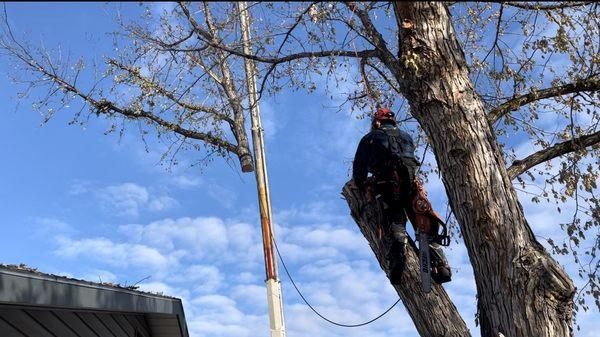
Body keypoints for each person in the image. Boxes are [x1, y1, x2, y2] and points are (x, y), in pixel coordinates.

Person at [352, 107, 451, 285]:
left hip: (387, 187)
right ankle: (441, 264)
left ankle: (398, 254)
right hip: (411, 186)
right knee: (423, 224)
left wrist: (361, 184)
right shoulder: (406, 137)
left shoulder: (369, 139)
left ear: (377, 122)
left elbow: (358, 171)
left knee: (395, 222)